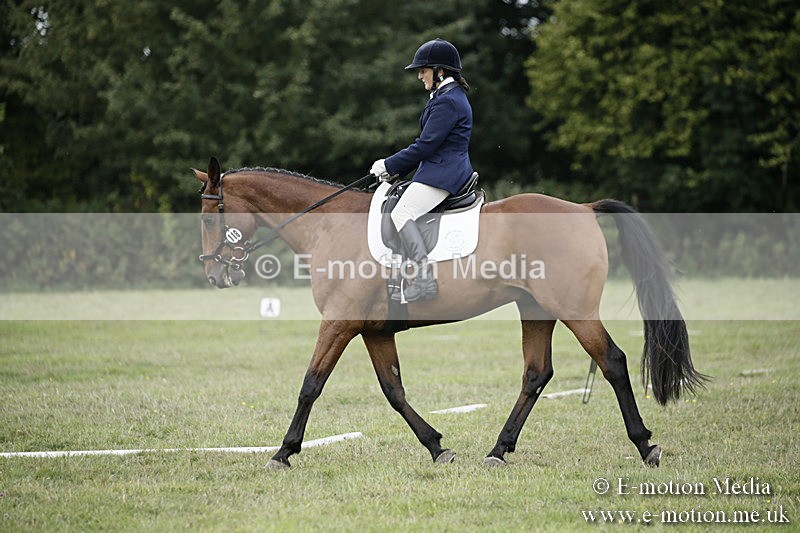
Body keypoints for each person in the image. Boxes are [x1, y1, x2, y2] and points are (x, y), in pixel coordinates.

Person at [370, 38, 473, 302]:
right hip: (440, 170)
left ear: (440, 71)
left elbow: (425, 145)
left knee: (402, 212)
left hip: (444, 174)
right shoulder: (446, 97)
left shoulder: (448, 101)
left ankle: (424, 280)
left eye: (423, 70)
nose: (419, 76)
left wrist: (389, 164)